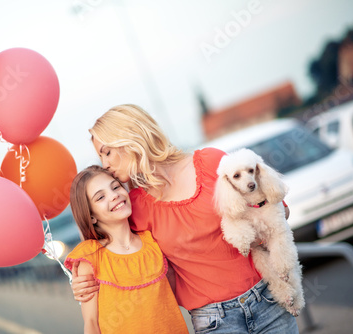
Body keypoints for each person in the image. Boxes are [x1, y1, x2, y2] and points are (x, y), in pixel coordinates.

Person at [71, 104, 299, 333]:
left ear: (130, 139)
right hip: (215, 321)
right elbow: (115, 255)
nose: (105, 164)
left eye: (107, 152)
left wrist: (259, 233)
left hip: (269, 298)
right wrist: (83, 280)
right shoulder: (135, 206)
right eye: (101, 156)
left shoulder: (211, 163)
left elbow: (277, 210)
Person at [64, 165, 189, 334]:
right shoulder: (90, 257)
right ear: (91, 216)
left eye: (115, 187)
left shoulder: (154, 241)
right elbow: (91, 323)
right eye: (100, 197)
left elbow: (171, 298)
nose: (114, 195)